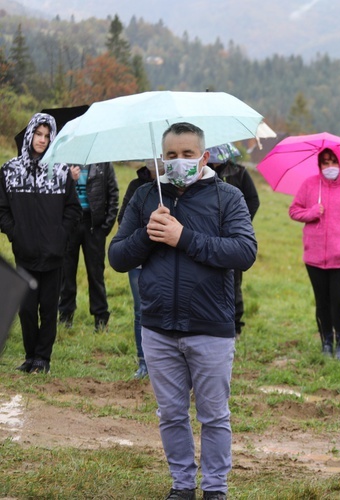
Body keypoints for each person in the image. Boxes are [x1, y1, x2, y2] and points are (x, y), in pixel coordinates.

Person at [109, 122, 257, 500]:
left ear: (204, 157)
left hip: (210, 327)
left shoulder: (228, 197)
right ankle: (181, 485)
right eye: (171, 156)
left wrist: (182, 237)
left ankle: (215, 488)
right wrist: (148, 233)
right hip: (158, 327)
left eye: (187, 155)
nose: (179, 162)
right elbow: (117, 257)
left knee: (214, 416)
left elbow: (243, 252)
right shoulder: (145, 197)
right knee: (171, 414)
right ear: (161, 159)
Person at [0, 113, 82, 374]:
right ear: (30, 134)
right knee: (25, 309)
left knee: (48, 310)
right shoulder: (10, 170)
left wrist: (60, 235)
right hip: (24, 254)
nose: (43, 140)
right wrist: (16, 233)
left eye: (48, 136)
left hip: (53, 255)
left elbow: (73, 210)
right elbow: (2, 209)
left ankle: (42, 360)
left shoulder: (60, 170)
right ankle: (29, 356)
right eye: (39, 134)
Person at [289, 146, 340, 362]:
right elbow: (294, 211)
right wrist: (312, 213)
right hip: (314, 258)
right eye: (325, 162)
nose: (330, 166)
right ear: (319, 164)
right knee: (322, 302)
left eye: (333, 161)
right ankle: (326, 342)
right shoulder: (310, 185)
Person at [58, 162, 119, 332]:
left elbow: (113, 194)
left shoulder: (104, 164)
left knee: (95, 274)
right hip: (70, 223)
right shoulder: (65, 162)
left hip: (94, 226)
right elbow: (54, 192)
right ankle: (65, 316)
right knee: (66, 273)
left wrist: (105, 227)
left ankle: (100, 319)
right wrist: (69, 180)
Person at [206, 146, 260, 337]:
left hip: (232, 239)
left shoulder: (239, 172)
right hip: (209, 237)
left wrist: (239, 225)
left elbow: (253, 200)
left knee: (234, 281)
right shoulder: (201, 172)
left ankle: (236, 323)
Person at [117, 160, 158, 379]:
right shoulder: (136, 186)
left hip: (163, 260)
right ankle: (144, 363)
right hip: (139, 260)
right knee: (141, 310)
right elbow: (122, 219)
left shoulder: (173, 188)